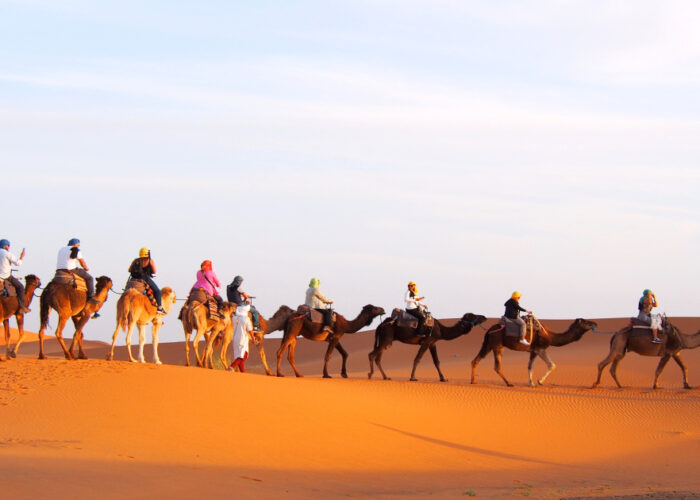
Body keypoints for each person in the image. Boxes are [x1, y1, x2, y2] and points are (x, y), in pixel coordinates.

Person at [128, 247, 165, 315]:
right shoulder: (150, 260)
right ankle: (159, 307)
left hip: (133, 279)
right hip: (144, 278)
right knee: (157, 291)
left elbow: (129, 270)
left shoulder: (136, 260)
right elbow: (154, 271)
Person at [0, 239, 30, 314]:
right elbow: (18, 263)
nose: (9, 247)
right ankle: (22, 307)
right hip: (6, 276)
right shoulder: (7, 254)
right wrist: (21, 257)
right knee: (20, 287)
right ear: (5, 246)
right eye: (8, 246)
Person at [228, 305, 256, 373]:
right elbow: (250, 330)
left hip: (235, 339)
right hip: (243, 338)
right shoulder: (246, 319)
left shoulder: (235, 318)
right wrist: (253, 338)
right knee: (243, 355)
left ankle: (243, 373)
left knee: (239, 356)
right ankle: (232, 366)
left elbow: (231, 316)